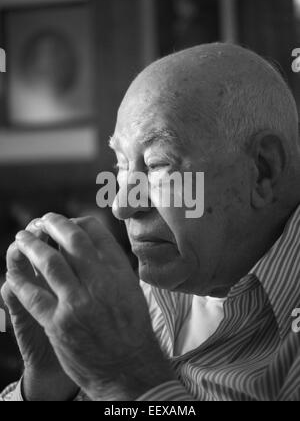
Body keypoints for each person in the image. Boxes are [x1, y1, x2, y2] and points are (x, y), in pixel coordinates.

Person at [1, 43, 300, 401]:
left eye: (158, 164)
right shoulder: (126, 298)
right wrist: (50, 381)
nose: (121, 205)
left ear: (263, 170)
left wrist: (127, 376)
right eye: (121, 165)